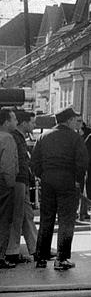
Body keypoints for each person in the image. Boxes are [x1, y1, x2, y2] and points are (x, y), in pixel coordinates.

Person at [31, 107, 89, 271]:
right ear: (69, 120)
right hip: (67, 181)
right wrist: (77, 180)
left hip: (48, 180)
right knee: (66, 220)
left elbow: (35, 160)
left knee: (46, 219)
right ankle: (61, 259)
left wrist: (42, 175)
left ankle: (41, 257)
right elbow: (82, 162)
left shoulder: (43, 136)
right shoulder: (74, 137)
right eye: (74, 120)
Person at [6, 110, 37, 265]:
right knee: (17, 217)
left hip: (22, 180)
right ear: (24, 123)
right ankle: (12, 251)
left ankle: (36, 248)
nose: (34, 125)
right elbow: (14, 161)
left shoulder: (19, 137)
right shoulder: (15, 138)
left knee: (26, 215)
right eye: (32, 122)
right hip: (18, 181)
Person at [0, 108, 19, 270]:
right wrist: (11, 184)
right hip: (3, 184)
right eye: (14, 119)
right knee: (4, 221)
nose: (16, 122)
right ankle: (0, 256)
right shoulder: (8, 139)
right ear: (6, 122)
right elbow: (8, 166)